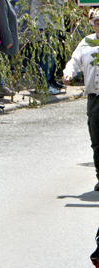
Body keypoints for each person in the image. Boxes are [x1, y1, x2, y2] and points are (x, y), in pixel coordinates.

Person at [63, 9, 99, 191]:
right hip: (95, 97)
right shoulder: (87, 42)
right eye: (98, 23)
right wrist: (68, 73)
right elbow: (74, 62)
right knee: (96, 138)